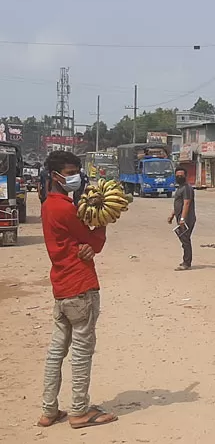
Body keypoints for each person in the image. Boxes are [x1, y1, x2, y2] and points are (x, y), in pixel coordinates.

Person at [37, 151, 117, 430]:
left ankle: (49, 410)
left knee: (56, 351)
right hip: (80, 287)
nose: (74, 177)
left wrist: (86, 243)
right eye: (69, 172)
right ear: (55, 175)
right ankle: (79, 411)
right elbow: (92, 239)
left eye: (76, 171)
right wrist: (103, 225)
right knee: (82, 351)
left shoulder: (48, 205)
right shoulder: (64, 208)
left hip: (61, 287)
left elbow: (81, 241)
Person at [167, 167, 196, 271]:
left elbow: (186, 203)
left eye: (181, 175)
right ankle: (186, 260)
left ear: (185, 176)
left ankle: (187, 263)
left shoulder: (187, 188)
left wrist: (183, 218)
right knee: (183, 240)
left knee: (185, 240)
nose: (179, 177)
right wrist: (172, 215)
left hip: (187, 219)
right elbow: (178, 204)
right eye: (177, 175)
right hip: (180, 218)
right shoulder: (179, 188)